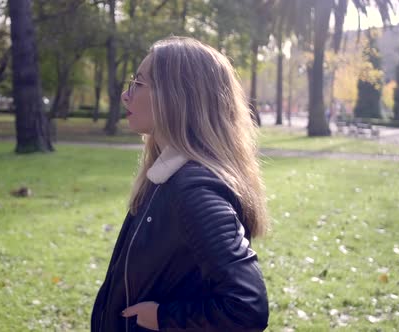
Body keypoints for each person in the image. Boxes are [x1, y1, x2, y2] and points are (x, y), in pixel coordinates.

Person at [91, 37, 270, 332]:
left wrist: (163, 318)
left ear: (177, 96)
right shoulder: (166, 175)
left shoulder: (194, 191)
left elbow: (247, 307)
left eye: (139, 83)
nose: (126, 95)